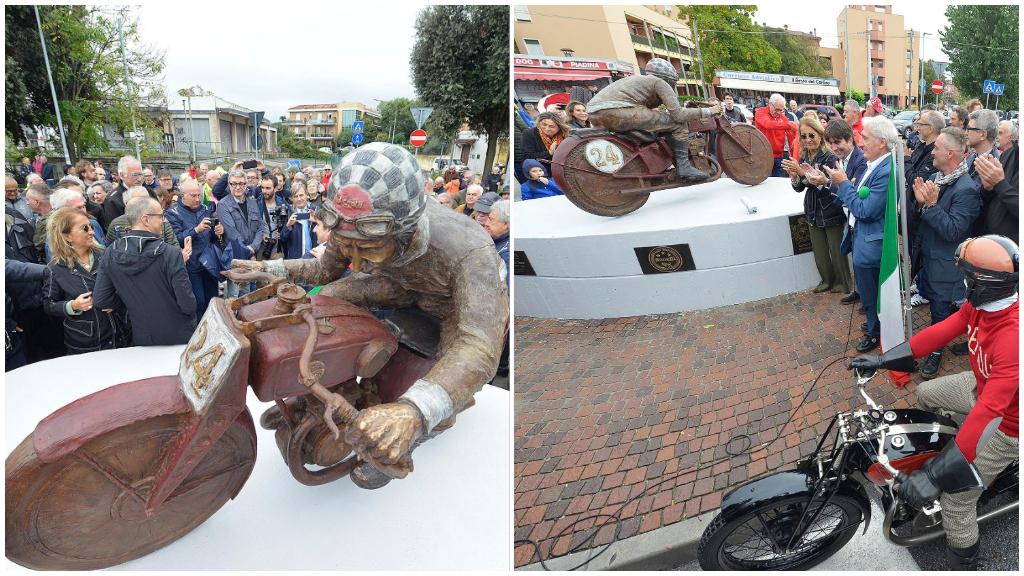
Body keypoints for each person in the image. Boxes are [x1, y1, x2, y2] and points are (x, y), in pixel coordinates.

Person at [227, 142, 507, 490]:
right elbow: (324, 271)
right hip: (402, 285)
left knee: (452, 378)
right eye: (349, 248)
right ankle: (310, 395)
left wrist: (414, 412)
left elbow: (479, 346)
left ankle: (405, 437)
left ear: (404, 229)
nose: (356, 264)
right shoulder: (353, 224)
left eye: (370, 248)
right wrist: (266, 266)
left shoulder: (469, 248)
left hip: (454, 306)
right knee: (327, 299)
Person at [850, 235, 1018, 570]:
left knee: (955, 502)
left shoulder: (1013, 338)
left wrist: (936, 476)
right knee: (927, 393)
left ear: (985, 284)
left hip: (1009, 425)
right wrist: (884, 359)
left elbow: (989, 415)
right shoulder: (981, 305)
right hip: (983, 388)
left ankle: (965, 563)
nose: (963, 282)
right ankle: (958, 454)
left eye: (968, 277)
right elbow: (942, 330)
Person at [910, 127, 982, 377]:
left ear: (950, 154)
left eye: (937, 148)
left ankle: (936, 352)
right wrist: (921, 205)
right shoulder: (938, 178)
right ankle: (941, 333)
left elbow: (954, 231)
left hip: (946, 267)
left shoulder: (967, 189)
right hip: (930, 259)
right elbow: (928, 217)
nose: (932, 153)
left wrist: (929, 206)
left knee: (939, 312)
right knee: (936, 307)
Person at [822, 116, 897, 352]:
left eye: (864, 138)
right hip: (863, 239)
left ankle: (875, 333)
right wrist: (843, 185)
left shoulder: (884, 170)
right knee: (868, 293)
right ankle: (874, 326)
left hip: (871, 243)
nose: (860, 142)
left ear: (882, 142)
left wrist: (843, 184)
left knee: (871, 294)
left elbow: (865, 210)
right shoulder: (876, 164)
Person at [587, 58, 721, 182]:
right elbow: (679, 115)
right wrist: (709, 111)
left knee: (662, 120)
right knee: (679, 124)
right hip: (618, 110)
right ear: (668, 79)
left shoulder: (638, 80)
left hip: (595, 113)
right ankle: (684, 167)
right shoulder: (659, 82)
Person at [93, 197, 197, 346]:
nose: (164, 221)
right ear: (146, 220)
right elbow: (188, 304)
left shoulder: (111, 252)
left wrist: (130, 301)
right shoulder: (170, 253)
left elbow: (101, 299)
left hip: (141, 333)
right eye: (161, 216)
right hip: (178, 333)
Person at [783, 115, 847, 294]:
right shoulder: (804, 156)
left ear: (820, 135)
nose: (808, 140)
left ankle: (843, 282)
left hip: (830, 208)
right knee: (819, 250)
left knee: (836, 250)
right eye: (803, 136)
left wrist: (801, 173)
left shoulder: (829, 156)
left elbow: (821, 183)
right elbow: (800, 188)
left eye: (811, 135)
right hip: (812, 209)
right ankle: (827, 280)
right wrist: (795, 176)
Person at [42, 207, 119, 354]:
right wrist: (73, 305)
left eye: (90, 226)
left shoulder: (106, 255)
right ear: (67, 236)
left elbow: (126, 286)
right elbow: (49, 305)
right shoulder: (55, 268)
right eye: (85, 228)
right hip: (84, 341)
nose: (91, 231)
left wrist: (117, 300)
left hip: (116, 332)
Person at [166, 179, 225, 320]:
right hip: (191, 264)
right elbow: (176, 238)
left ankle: (212, 329)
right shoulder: (172, 213)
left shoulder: (205, 209)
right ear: (182, 196)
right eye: (193, 196)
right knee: (198, 302)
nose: (198, 199)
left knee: (213, 301)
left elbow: (211, 236)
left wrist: (218, 231)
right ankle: (198, 332)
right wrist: (196, 230)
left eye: (199, 195)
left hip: (209, 263)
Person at [972, 125, 1018, 243]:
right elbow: (994, 199)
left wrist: (1000, 183)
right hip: (990, 239)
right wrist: (988, 188)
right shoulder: (1009, 153)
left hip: (1011, 251)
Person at [219, 169, 269, 261]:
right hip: (236, 256)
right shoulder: (223, 205)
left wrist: (253, 247)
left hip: (255, 252)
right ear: (229, 185)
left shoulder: (253, 202)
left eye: (241, 183)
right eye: (234, 184)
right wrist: (248, 253)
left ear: (246, 185)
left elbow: (260, 227)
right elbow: (232, 233)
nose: (238, 187)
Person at [105, 186, 178, 246]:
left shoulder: (161, 220)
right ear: (127, 204)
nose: (144, 204)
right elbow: (111, 250)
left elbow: (174, 246)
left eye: (146, 200)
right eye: (139, 202)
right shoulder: (116, 224)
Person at [755, 93, 799, 178]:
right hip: (763, 156)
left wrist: (794, 157)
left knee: (779, 182)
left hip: (779, 156)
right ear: (770, 104)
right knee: (763, 182)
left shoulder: (782, 118)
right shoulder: (761, 112)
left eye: (781, 110)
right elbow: (768, 124)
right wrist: (790, 125)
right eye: (777, 109)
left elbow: (791, 137)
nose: (779, 113)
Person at [102, 155, 149, 224]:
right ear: (121, 175)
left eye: (140, 174)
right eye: (134, 175)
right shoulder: (113, 200)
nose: (139, 179)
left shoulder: (150, 192)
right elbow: (116, 228)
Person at [965, 110, 1001, 194]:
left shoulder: (995, 166)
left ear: (982, 134)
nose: (965, 133)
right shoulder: (973, 155)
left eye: (969, 129)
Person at [281, 184, 317, 260]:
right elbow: (283, 239)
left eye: (301, 195)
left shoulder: (315, 210)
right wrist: (289, 226)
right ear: (292, 199)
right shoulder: (288, 213)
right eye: (295, 196)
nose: (299, 199)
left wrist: (317, 221)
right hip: (295, 259)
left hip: (313, 257)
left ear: (307, 195)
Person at [258, 175, 287, 259]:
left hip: (278, 248)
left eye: (268, 188)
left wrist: (282, 233)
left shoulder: (283, 204)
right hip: (261, 247)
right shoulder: (256, 203)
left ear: (275, 188)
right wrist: (261, 236)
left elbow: (288, 225)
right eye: (262, 188)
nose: (264, 191)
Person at [483, 198, 509, 288]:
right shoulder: (495, 239)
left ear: (506, 224)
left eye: (491, 219)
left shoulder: (507, 254)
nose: (486, 223)